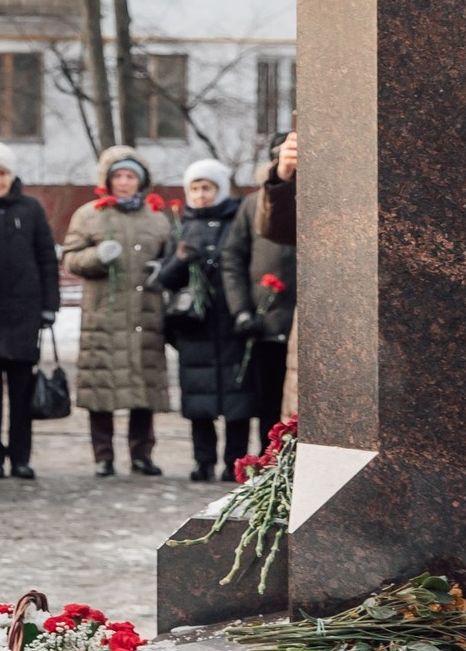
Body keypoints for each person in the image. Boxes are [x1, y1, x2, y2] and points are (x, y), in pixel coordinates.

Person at [60, 145, 174, 477]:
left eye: (130, 176)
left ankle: (141, 454)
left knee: (143, 389)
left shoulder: (157, 218)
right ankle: (103, 455)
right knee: (101, 389)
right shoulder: (89, 214)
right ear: (107, 181)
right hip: (104, 319)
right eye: (118, 176)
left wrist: (163, 270)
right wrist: (97, 256)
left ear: (141, 182)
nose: (124, 182)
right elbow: (70, 258)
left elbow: (173, 258)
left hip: (144, 316)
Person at [0, 142, 60, 481]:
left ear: (12, 175)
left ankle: (21, 457)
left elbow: (47, 257)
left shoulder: (30, 209)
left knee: (21, 393)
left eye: (2, 172)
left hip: (23, 314)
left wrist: (49, 306)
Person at [154, 158, 253, 481]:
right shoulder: (181, 227)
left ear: (220, 189)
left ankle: (234, 461)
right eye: (195, 188)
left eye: (207, 188)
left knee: (237, 401)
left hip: (230, 324)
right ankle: (203, 460)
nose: (201, 195)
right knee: (199, 402)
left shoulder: (237, 220)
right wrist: (182, 259)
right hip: (195, 328)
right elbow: (165, 279)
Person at [224, 130, 297, 427]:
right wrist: (242, 310)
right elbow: (233, 259)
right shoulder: (254, 205)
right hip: (265, 321)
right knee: (268, 406)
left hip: (302, 320)